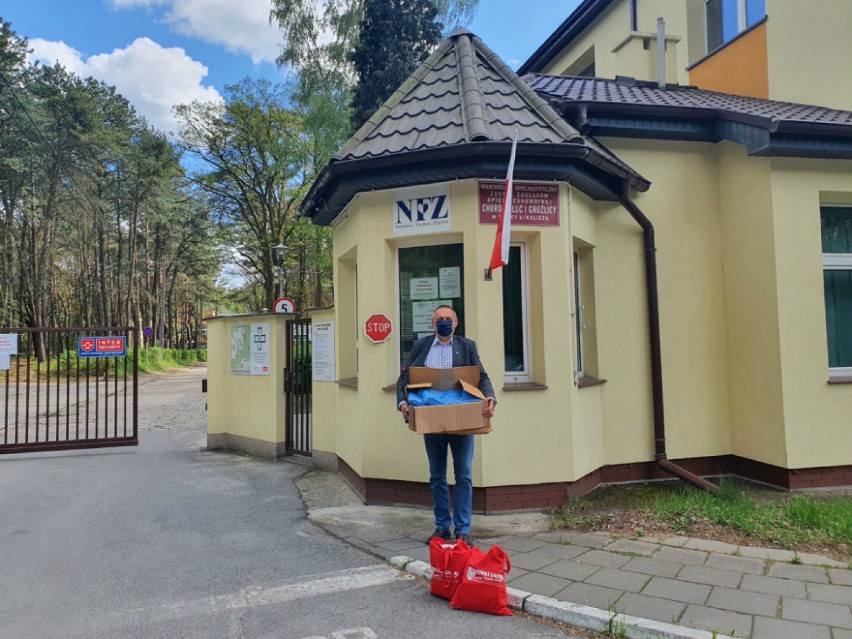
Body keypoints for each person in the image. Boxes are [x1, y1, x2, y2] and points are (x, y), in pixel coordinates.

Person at [396, 304, 496, 545]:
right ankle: (442, 527)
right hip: (431, 419)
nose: (443, 322)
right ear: (433, 324)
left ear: (456, 322)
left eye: (447, 319)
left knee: (464, 475)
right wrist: (403, 403)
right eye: (439, 319)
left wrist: (490, 398)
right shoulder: (421, 346)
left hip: (461, 420)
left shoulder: (466, 346)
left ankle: (462, 530)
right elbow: (405, 378)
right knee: (437, 476)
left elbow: (481, 376)